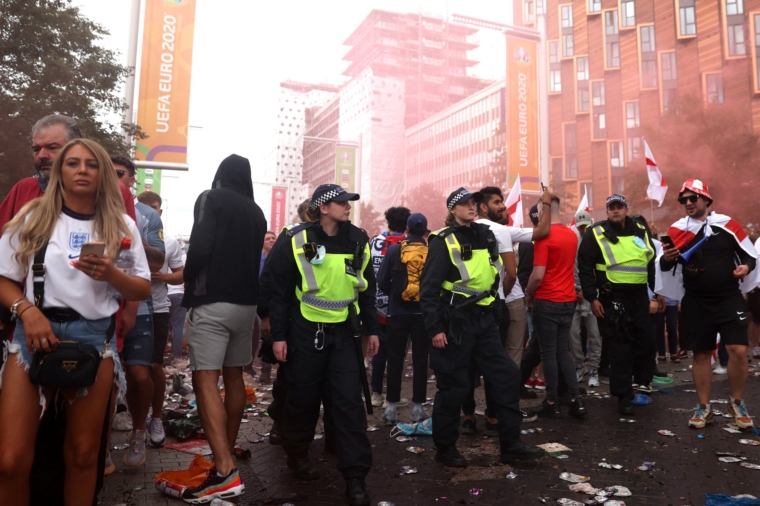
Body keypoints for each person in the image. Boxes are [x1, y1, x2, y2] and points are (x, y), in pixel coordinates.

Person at [0, 139, 151, 504]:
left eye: (91, 164)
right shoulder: (35, 215)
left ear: (102, 173)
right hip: (32, 336)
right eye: (72, 163)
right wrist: (26, 309)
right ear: (60, 172)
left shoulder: (120, 223)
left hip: (93, 341)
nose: (82, 170)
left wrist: (111, 275)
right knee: (10, 461)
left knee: (84, 456)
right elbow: (4, 277)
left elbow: (141, 287)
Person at [264, 183, 379, 506]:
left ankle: (355, 477)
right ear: (323, 207)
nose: (348, 207)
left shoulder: (358, 238)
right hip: (304, 330)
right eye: (341, 202)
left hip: (345, 332)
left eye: (349, 202)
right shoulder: (296, 238)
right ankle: (298, 455)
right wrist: (279, 337)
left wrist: (372, 330)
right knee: (302, 399)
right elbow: (280, 290)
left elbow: (367, 289)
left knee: (349, 404)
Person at [420, 187, 545, 468]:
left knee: (507, 376)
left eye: (474, 202)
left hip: (484, 321)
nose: (472, 206)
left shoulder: (486, 235)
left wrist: (495, 311)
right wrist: (435, 329)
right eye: (464, 204)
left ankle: (510, 444)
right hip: (455, 323)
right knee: (454, 388)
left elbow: (493, 277)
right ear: (453, 209)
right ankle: (445, 447)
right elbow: (427, 290)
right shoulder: (442, 240)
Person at [180, 154, 266, 502]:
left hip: (211, 301)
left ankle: (224, 470)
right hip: (247, 307)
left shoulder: (210, 198)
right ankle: (225, 456)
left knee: (205, 379)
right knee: (234, 379)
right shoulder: (256, 211)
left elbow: (200, 247)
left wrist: (187, 278)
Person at [658, 179, 758, 429]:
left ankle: (736, 403)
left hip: (728, 297)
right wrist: (668, 258)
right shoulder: (677, 230)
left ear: (706, 200)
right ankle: (704, 408)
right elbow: (665, 266)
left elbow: (749, 254)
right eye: (684, 200)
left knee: (738, 350)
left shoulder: (727, 224)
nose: (688, 203)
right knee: (701, 354)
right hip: (696, 301)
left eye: (693, 198)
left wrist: (746, 266)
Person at [578, 194, 658, 416]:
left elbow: (651, 265)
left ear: (626, 209)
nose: (615, 211)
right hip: (612, 299)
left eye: (619, 207)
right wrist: (592, 298)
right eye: (611, 208)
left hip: (640, 298)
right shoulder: (596, 233)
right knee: (620, 349)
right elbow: (585, 267)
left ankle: (641, 383)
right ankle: (624, 397)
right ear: (606, 212)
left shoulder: (641, 230)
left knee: (647, 343)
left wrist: (657, 294)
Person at [113, 156, 166, 467]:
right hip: (99, 307)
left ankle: (138, 430)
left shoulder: (145, 216)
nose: (113, 178)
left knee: (138, 374)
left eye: (120, 173)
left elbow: (157, 261)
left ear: (132, 179)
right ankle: (101, 444)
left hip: (138, 306)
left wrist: (126, 244)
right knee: (102, 378)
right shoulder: (85, 208)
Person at [525, 196, 586, 419]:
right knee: (563, 351)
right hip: (567, 300)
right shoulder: (571, 235)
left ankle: (552, 401)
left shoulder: (544, 237)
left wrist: (528, 292)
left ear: (543, 211)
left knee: (548, 353)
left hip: (547, 300)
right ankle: (576, 400)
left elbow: (538, 275)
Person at [136, 191, 185, 448]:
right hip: (127, 307)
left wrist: (163, 277)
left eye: (154, 208)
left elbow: (181, 274)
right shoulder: (125, 232)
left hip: (157, 309)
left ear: (160, 212)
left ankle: (156, 418)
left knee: (154, 365)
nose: (149, 213)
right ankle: (133, 419)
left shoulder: (171, 243)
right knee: (130, 369)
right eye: (144, 208)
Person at [377, 212, 430, 425]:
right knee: (420, 360)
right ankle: (418, 408)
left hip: (397, 313)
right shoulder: (431, 251)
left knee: (396, 359)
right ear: (425, 231)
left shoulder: (393, 250)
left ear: (406, 229)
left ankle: (391, 408)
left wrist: (395, 295)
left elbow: (381, 281)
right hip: (423, 313)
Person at [368, 206, 410, 408]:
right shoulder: (407, 244)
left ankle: (376, 394)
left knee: (379, 351)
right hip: (400, 306)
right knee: (397, 353)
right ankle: (392, 397)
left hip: (376, 304)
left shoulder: (374, 241)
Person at [569, 210, 602, 388]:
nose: (583, 230)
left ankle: (594, 368)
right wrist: (576, 290)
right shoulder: (572, 243)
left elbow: (600, 271)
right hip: (574, 294)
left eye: (586, 226)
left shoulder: (598, 243)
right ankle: (579, 366)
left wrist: (588, 291)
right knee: (573, 334)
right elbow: (568, 270)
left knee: (594, 334)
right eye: (580, 227)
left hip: (592, 296)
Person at [252, 230, 277, 384]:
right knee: (263, 335)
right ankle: (265, 371)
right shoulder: (257, 260)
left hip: (277, 302)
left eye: (274, 238)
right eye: (268, 238)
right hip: (260, 302)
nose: (271, 240)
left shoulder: (281, 258)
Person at [168, 236, 187, 360]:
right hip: (179, 294)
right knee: (178, 327)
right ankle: (177, 356)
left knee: (162, 326)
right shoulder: (185, 258)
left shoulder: (165, 253)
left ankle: (158, 355)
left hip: (165, 294)